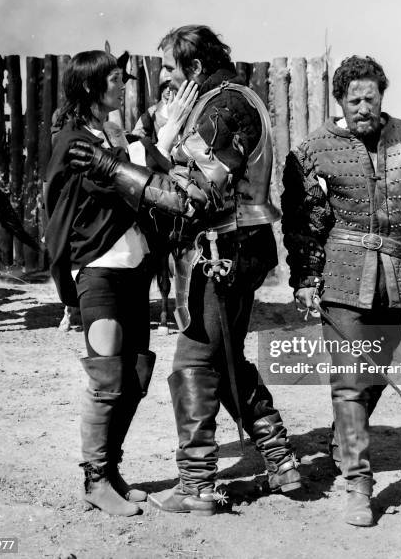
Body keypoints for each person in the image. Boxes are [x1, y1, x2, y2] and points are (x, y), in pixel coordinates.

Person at [68, 25, 302, 517]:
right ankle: (281, 459)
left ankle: (197, 484)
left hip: (223, 251)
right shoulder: (220, 100)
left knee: (193, 363)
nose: (165, 78)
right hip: (229, 248)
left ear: (195, 68)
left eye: (172, 68)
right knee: (223, 357)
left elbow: (194, 195)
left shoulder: (227, 107)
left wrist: (115, 166)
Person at [281, 55, 401, 527]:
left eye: (370, 97)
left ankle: (342, 440)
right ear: (340, 101)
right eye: (353, 99)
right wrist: (305, 278)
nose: (363, 106)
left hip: (395, 277)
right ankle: (359, 483)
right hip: (341, 275)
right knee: (351, 378)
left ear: (382, 96)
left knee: (377, 368)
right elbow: (302, 220)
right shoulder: (316, 147)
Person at [44, 50, 197, 517]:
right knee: (107, 376)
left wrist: (159, 139)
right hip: (98, 269)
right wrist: (155, 145)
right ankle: (93, 479)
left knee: (135, 375)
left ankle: (109, 470)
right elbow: (130, 180)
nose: (123, 85)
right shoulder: (74, 141)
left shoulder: (110, 134)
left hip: (133, 267)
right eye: (114, 78)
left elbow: (142, 168)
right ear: (91, 86)